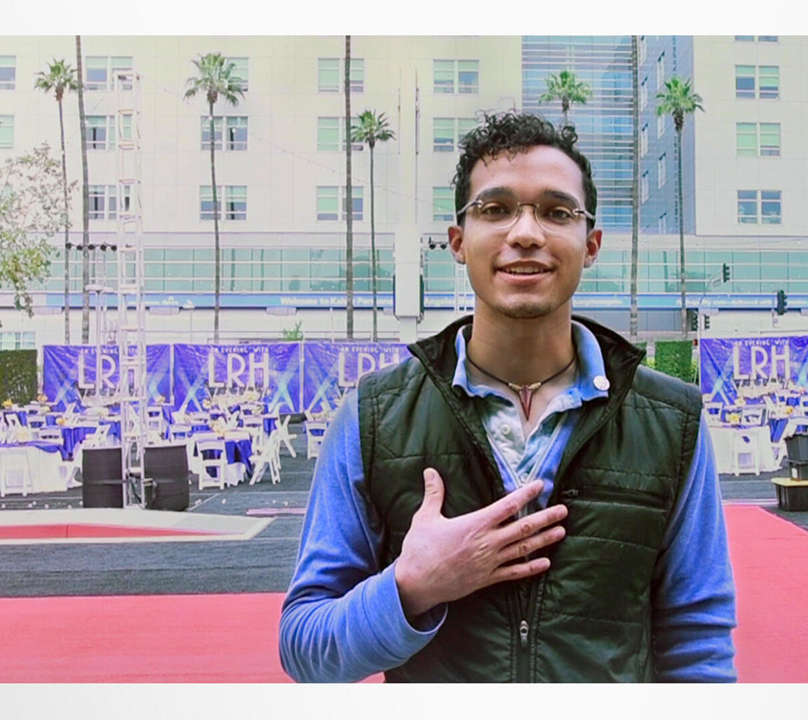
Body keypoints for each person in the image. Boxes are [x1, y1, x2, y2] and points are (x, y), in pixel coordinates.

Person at [279, 111, 736, 682]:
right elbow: (305, 647)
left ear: (591, 244)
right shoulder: (373, 416)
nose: (525, 233)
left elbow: (698, 640)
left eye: (556, 212)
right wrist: (412, 586)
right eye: (495, 209)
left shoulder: (671, 420)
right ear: (458, 242)